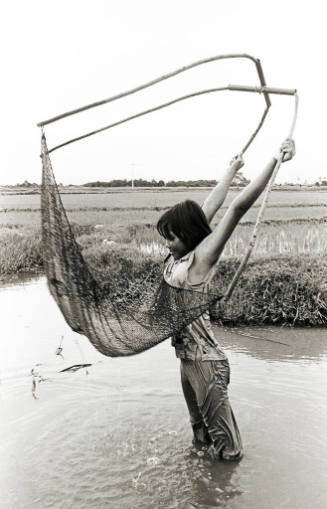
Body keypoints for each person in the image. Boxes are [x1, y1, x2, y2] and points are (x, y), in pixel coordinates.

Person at [156, 139, 296, 461]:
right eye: (166, 238)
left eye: (172, 237)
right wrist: (231, 169)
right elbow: (212, 205)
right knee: (200, 438)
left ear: (188, 236)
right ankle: (203, 489)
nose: (167, 244)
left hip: (206, 363)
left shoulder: (201, 258)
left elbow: (236, 208)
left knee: (229, 451)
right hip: (186, 361)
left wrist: (276, 160)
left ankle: (226, 492)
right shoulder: (181, 254)